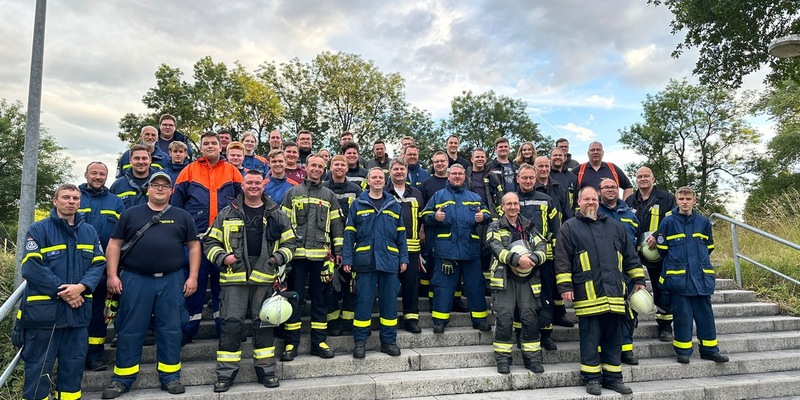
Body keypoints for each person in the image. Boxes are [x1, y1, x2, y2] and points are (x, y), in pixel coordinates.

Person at [101, 172, 200, 398]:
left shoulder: (182, 216)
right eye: (155, 185)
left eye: (165, 186)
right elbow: (114, 245)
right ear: (148, 189)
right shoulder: (130, 214)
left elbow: (194, 246)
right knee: (130, 329)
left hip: (171, 279)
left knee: (171, 329)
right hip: (136, 279)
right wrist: (112, 275)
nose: (160, 189)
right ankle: (122, 379)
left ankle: (170, 376)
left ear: (171, 191)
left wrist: (192, 277)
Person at [205, 170, 297, 391]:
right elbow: (209, 243)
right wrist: (223, 258)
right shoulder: (226, 213)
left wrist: (276, 258)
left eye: (258, 183)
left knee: (265, 324)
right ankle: (225, 374)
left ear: (263, 186)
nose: (254, 186)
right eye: (249, 182)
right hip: (234, 278)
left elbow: (291, 243)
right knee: (231, 325)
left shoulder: (277, 214)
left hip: (265, 276)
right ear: (242, 185)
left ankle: (266, 371)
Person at [18, 184, 105, 400]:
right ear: (55, 201)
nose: (71, 201)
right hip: (45, 316)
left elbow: (98, 264)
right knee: (38, 371)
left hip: (77, 316)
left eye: (75, 198)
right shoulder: (38, 229)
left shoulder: (89, 231)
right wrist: (64, 292)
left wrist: (81, 288)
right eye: (66, 197)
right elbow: (31, 267)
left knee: (73, 371)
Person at [555, 186, 645, 396]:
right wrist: (565, 286)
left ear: (599, 201)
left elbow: (630, 256)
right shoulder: (569, 228)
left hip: (614, 293)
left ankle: (614, 378)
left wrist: (638, 278)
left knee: (614, 338)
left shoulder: (615, 226)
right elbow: (562, 260)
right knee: (590, 339)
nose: (590, 203)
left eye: (593, 199)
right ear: (578, 202)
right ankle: (592, 378)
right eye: (586, 199)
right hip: (588, 293)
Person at [172, 131, 244, 344]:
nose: (210, 146)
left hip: (226, 243)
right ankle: (187, 330)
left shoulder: (232, 171)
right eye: (206, 143)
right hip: (196, 242)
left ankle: (225, 329)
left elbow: (244, 204)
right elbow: (176, 207)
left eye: (214, 143)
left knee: (224, 289)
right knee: (193, 287)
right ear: (200, 147)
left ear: (221, 147)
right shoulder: (188, 171)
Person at [651, 186, 729, 364]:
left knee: (706, 317)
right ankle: (683, 351)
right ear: (676, 200)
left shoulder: (703, 222)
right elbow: (663, 250)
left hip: (701, 278)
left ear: (694, 200)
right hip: (679, 280)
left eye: (688, 199)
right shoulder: (668, 222)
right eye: (681, 199)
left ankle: (710, 350)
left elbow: (709, 246)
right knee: (682, 317)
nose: (685, 202)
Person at [279, 154, 344, 361]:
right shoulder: (292, 193)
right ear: (305, 167)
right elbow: (283, 225)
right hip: (296, 257)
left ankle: (319, 342)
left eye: (320, 166)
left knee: (320, 300)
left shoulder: (329, 196)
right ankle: (291, 343)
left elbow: (336, 226)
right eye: (313, 165)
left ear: (324, 170)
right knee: (295, 300)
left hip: (321, 257)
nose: (316, 168)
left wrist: (339, 251)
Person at [343, 167, 409, 358]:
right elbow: (349, 234)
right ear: (368, 181)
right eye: (374, 177)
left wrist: (404, 258)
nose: (378, 180)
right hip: (365, 261)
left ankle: (388, 341)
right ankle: (360, 342)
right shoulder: (358, 204)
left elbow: (401, 235)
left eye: (381, 177)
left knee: (389, 303)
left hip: (389, 260)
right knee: (363, 302)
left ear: (384, 180)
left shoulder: (394, 205)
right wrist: (347, 257)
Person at [421, 164, 492, 333]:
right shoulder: (439, 195)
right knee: (443, 286)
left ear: (464, 177)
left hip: (470, 249)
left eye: (461, 174)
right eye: (454, 174)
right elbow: (424, 215)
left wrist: (483, 217)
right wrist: (434, 216)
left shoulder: (474, 196)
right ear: (448, 176)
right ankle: (440, 321)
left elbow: (488, 214)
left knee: (475, 286)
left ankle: (479, 319)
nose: (458, 176)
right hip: (446, 249)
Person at [487, 192, 547, 374]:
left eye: (515, 203)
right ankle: (503, 360)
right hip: (504, 279)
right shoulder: (495, 226)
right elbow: (495, 247)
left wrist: (535, 258)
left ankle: (532, 359)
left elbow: (542, 245)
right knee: (504, 318)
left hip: (528, 280)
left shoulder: (528, 226)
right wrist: (516, 259)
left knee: (530, 318)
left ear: (519, 206)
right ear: (502, 207)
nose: (512, 207)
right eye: (508, 204)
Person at [79, 162, 126, 371]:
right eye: (94, 173)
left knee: (98, 314)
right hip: (76, 267)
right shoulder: (74, 197)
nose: (98, 177)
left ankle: (95, 356)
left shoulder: (115, 202)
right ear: (86, 174)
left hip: (104, 268)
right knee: (75, 312)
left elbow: (123, 234)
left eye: (102, 174)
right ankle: (75, 356)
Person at [516, 163, 567, 351]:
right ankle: (520, 334)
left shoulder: (546, 200)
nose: (528, 181)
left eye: (531, 178)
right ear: (518, 179)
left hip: (544, 257)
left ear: (536, 179)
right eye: (524, 177)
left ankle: (546, 335)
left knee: (545, 296)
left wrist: (552, 252)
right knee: (520, 298)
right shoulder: (512, 200)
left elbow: (556, 228)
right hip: (519, 259)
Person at [625, 166, 676, 342]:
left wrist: (658, 236)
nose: (643, 179)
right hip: (634, 251)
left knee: (661, 287)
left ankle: (664, 326)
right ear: (636, 180)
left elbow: (671, 222)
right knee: (632, 284)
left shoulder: (666, 198)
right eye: (639, 176)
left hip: (657, 251)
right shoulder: (630, 200)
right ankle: (632, 318)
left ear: (653, 179)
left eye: (646, 176)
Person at [597, 178, 641, 366]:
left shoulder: (630, 215)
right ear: (599, 191)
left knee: (628, 313)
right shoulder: (595, 212)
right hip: (602, 271)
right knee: (604, 313)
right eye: (606, 187)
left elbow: (635, 245)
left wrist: (638, 277)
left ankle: (626, 349)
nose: (610, 190)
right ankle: (603, 350)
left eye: (613, 187)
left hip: (625, 272)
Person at [323, 154, 363, 336]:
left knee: (349, 284)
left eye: (342, 165)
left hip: (350, 243)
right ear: (330, 167)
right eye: (336, 164)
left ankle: (348, 321)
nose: (339, 167)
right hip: (326, 245)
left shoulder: (356, 190)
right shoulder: (323, 189)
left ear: (348, 168)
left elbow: (361, 217)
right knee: (329, 284)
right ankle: (332, 323)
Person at [386, 158, 425, 333]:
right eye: (396, 169)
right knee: (390, 286)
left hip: (412, 248)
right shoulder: (384, 193)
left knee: (411, 285)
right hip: (389, 248)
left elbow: (422, 218)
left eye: (402, 169)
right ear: (390, 172)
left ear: (406, 171)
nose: (399, 172)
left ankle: (411, 319)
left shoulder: (416, 192)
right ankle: (390, 318)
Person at [110, 144, 158, 209]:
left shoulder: (160, 184)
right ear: (130, 160)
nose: (141, 162)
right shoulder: (117, 186)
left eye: (144, 158)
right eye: (137, 158)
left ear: (150, 160)